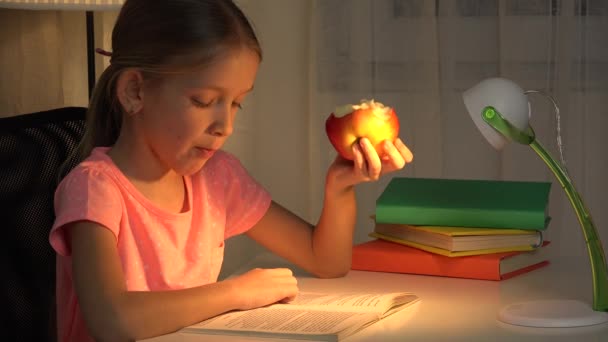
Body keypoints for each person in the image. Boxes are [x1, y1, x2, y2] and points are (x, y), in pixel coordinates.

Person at [49, 0, 414, 341]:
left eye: (237, 103)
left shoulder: (217, 178)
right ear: (134, 92)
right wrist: (234, 293)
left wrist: (339, 188)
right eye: (204, 101)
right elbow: (112, 319)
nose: (225, 125)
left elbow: (326, 261)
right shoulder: (94, 188)